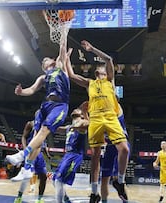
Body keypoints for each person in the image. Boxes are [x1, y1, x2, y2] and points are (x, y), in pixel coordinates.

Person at [65, 41, 129, 202]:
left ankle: (120, 181)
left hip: (110, 116)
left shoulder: (110, 81)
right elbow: (72, 75)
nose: (100, 69)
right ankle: (95, 193)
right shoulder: (90, 84)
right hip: (95, 118)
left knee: (125, 150)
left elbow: (108, 59)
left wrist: (92, 49)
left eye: (101, 68)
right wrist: (66, 58)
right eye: (98, 69)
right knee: (94, 156)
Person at [5, 26, 70, 180]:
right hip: (45, 105)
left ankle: (22, 154)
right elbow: (32, 90)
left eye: (48, 58)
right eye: (45, 60)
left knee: (44, 131)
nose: (48, 59)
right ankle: (27, 168)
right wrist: (21, 92)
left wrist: (63, 32)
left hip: (60, 105)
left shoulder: (60, 68)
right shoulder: (43, 77)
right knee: (36, 136)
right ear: (44, 66)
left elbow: (62, 48)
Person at [53, 105, 89, 203]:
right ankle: (66, 198)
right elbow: (59, 129)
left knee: (58, 181)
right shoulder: (69, 127)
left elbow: (88, 123)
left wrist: (85, 112)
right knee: (54, 179)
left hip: (74, 155)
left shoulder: (82, 123)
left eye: (77, 109)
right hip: (67, 155)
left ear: (81, 115)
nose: (75, 109)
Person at [13, 113, 48, 203]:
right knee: (27, 176)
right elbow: (24, 137)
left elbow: (43, 141)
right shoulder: (30, 124)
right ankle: (19, 197)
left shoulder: (46, 125)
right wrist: (25, 149)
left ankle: (40, 198)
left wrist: (46, 152)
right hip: (31, 152)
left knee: (43, 177)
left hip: (39, 154)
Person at [100, 102, 130, 203]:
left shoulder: (117, 108)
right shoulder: (99, 113)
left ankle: (124, 200)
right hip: (108, 147)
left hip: (120, 145)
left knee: (117, 179)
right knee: (104, 179)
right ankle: (104, 201)